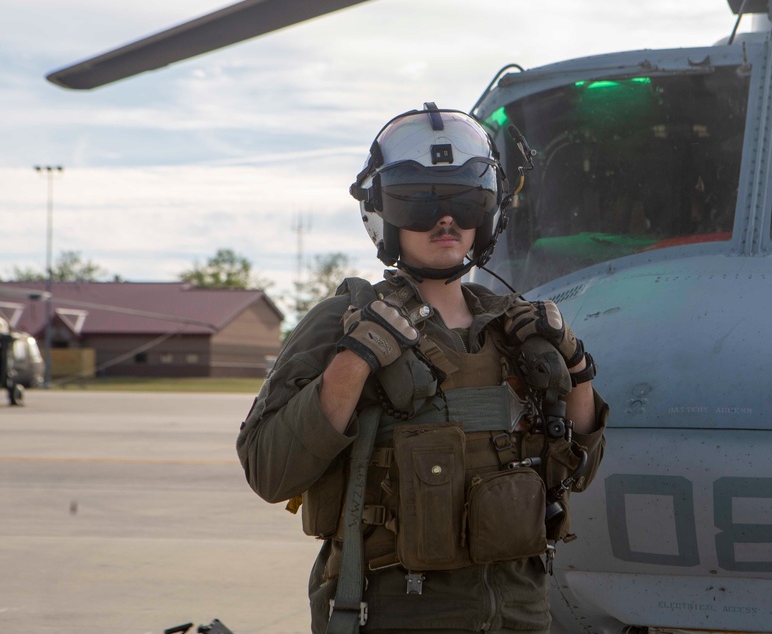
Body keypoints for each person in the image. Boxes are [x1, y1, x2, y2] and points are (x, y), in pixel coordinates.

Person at [236, 104, 608, 634]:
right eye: (419, 203)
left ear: (490, 211)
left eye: (465, 199)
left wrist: (578, 367)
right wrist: (355, 360)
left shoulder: (518, 329)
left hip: (520, 610)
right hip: (397, 612)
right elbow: (269, 471)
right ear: (384, 213)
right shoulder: (342, 322)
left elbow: (579, 470)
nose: (446, 220)